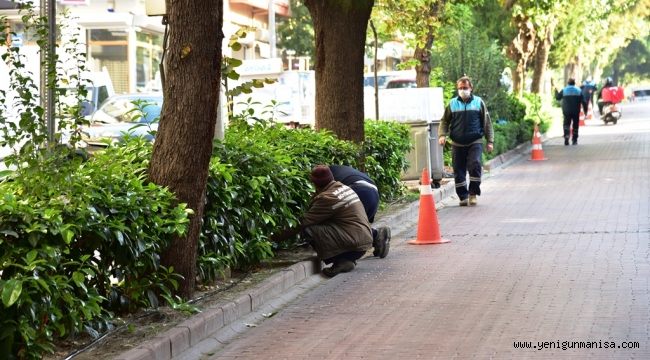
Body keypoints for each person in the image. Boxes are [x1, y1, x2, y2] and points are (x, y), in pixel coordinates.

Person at [272, 165, 373, 277]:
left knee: (309, 229)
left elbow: (303, 222)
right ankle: (345, 260)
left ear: (315, 183)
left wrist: (273, 238)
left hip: (354, 243)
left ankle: (339, 260)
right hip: (364, 240)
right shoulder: (344, 187)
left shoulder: (327, 198)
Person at [438, 76, 494, 207]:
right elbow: (444, 121)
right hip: (457, 143)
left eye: (465, 88)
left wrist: (490, 141)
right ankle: (463, 196)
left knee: (474, 164)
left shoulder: (478, 102)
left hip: (475, 140)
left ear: (471, 88)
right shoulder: (452, 104)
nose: (463, 90)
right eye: (460, 88)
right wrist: (442, 135)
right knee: (458, 170)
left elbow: (487, 123)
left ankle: (473, 193)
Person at [329, 165, 390, 258]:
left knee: (342, 224)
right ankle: (375, 236)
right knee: (355, 225)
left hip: (357, 192)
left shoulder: (323, 176)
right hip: (373, 193)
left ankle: (376, 236)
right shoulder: (336, 169)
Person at [556, 78, 582, 146]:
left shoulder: (564, 90)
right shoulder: (578, 90)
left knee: (566, 124)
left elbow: (558, 98)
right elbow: (584, 101)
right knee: (575, 125)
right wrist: (585, 110)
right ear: (574, 83)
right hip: (576, 111)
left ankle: (566, 137)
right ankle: (574, 140)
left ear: (568, 83)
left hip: (566, 111)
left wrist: (555, 91)